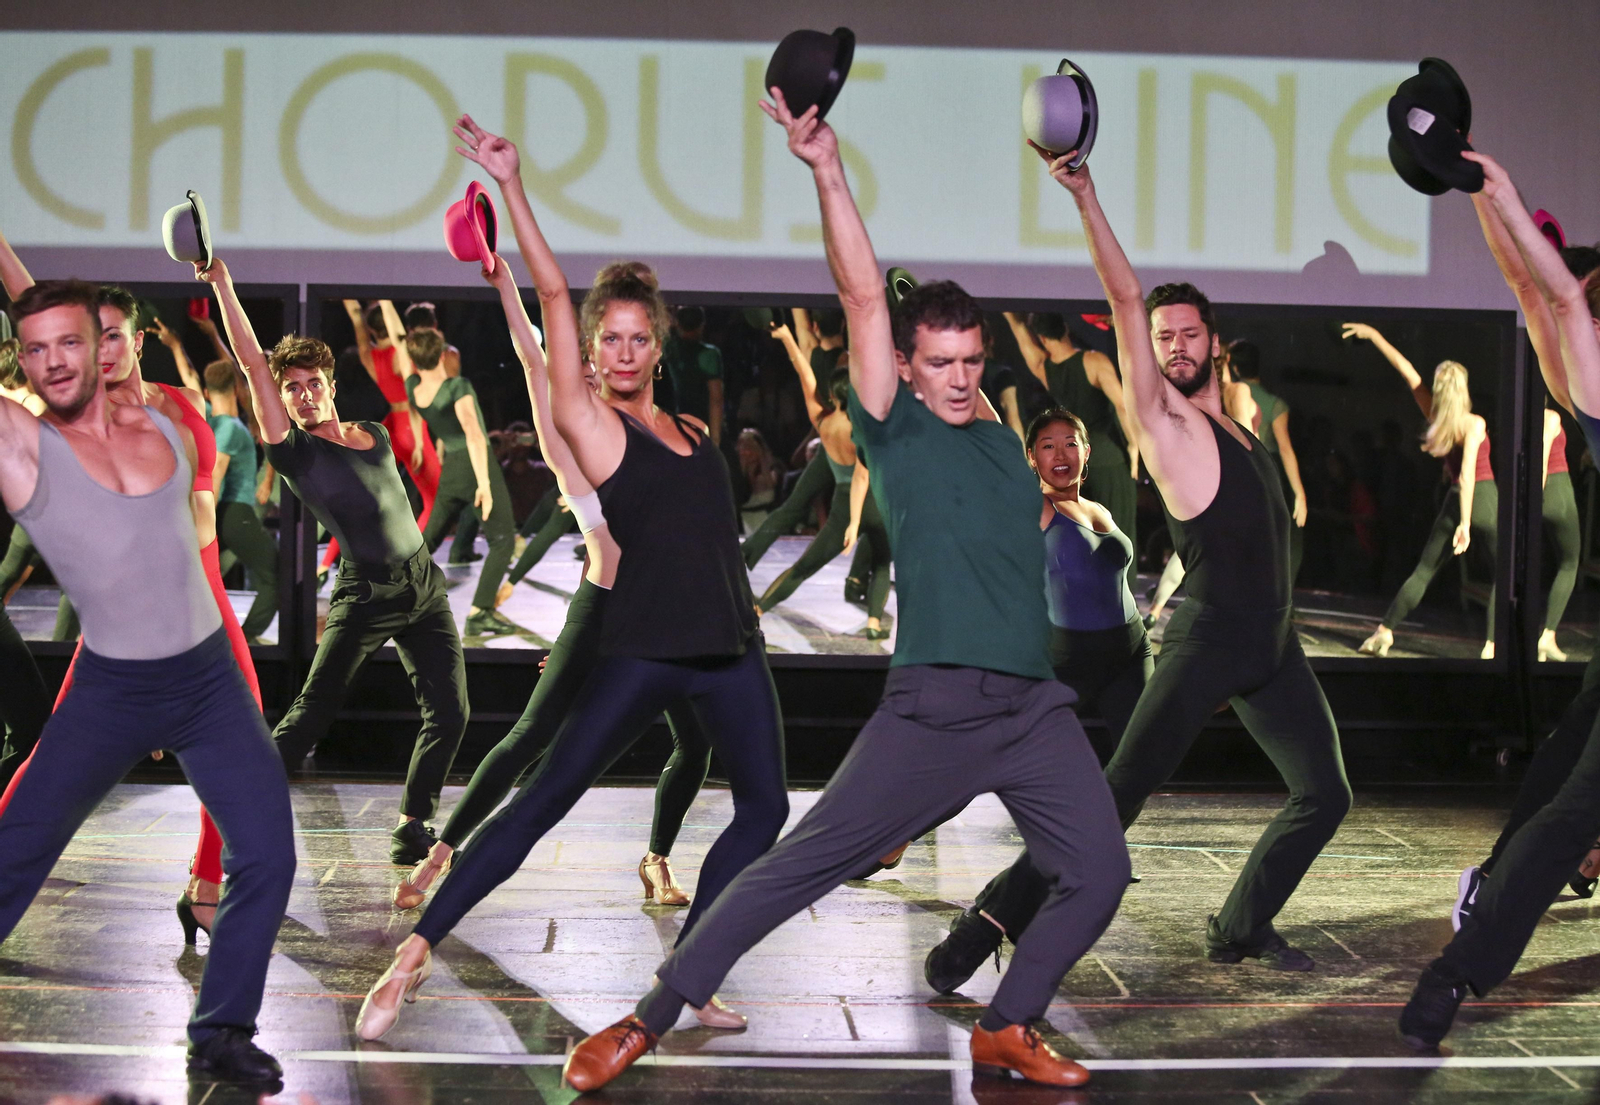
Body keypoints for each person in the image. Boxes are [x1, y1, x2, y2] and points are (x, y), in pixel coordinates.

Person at [562, 89, 1129, 1095]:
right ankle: (648, 1015)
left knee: (1101, 869)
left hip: (1034, 709)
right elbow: (864, 295)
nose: (958, 377)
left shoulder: (1004, 445)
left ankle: (1006, 1024)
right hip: (935, 706)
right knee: (798, 864)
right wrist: (826, 166)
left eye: (970, 360)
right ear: (905, 366)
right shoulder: (895, 428)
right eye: (938, 362)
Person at [354, 113, 789, 1044]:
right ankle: (414, 952)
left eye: (639, 338)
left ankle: (690, 973)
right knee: (544, 795)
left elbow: (713, 539)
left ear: (658, 346)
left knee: (767, 807)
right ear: (590, 351)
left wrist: (747, 607)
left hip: (730, 649)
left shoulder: (695, 433)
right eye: (609, 339)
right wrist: (513, 186)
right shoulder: (591, 425)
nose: (624, 352)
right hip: (646, 648)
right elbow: (552, 295)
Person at [1026, 136, 1349, 972]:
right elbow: (1123, 296)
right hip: (1208, 640)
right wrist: (1085, 196)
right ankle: (994, 918)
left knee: (1326, 793)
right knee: (1121, 791)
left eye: (1188, 333)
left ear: (1214, 341)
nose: (1173, 345)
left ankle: (1239, 924)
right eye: (1162, 335)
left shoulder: (1236, 426)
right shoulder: (1167, 426)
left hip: (1271, 644)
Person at [0, 280, 294, 1085]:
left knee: (268, 852)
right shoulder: (28, 442)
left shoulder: (165, 415)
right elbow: (33, 305)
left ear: (115, 344)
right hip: (111, 687)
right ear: (23, 359)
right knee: (19, 844)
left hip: (207, 679)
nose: (63, 359)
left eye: (81, 340)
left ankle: (222, 1030)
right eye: (39, 349)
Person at [394, 252, 717, 919]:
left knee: (697, 741)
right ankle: (440, 855)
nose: (603, 371)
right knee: (530, 737)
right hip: (604, 607)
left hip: (668, 613)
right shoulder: (566, 435)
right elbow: (533, 355)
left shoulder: (662, 435)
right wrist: (503, 284)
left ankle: (656, 857)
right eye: (590, 361)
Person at [1398, 150, 1600, 1049]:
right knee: (1567, 799)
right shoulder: (1593, 389)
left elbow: (1542, 290)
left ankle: (1481, 925)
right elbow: (1540, 292)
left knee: (1567, 787)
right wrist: (1492, 190)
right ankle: (1461, 962)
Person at [198, 258, 469, 869]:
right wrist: (223, 285)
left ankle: (412, 826)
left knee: (451, 712)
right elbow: (252, 363)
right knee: (309, 717)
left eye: (312, 382)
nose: (303, 394)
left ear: (331, 384)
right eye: (291, 388)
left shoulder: (374, 432)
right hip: (366, 596)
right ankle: (227, 834)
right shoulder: (295, 452)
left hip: (424, 588)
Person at [922, 406, 1153, 993]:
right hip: (1066, 661)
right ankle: (904, 839)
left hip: (1131, 656)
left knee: (1135, 777)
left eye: (1070, 442)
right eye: (1046, 446)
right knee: (988, 757)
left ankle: (1064, 870)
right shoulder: (1036, 506)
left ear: (1086, 451)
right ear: (1030, 458)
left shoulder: (1099, 510)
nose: (1060, 454)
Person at [1348, 323, 1497, 660]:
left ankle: (1383, 632)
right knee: (1502, 573)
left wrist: (1375, 336)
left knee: (1424, 570)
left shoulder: (1434, 415)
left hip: (1453, 500)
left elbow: (1408, 372)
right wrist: (1466, 524)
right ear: (1463, 389)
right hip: (1483, 499)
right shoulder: (1474, 423)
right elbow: (1469, 475)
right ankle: (1491, 645)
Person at [758, 326, 892, 638]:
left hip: (844, 504)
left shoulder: (823, 422)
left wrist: (789, 341)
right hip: (876, 504)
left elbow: (807, 380)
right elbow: (863, 475)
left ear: (833, 396)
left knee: (804, 567)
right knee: (881, 564)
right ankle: (873, 624)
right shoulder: (866, 426)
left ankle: (759, 608)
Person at [1006, 310, 1140, 584]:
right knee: (1118, 534)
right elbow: (1122, 405)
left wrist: (1010, 313)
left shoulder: (1042, 366)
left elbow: (1019, 331)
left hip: (1070, 465)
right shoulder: (1093, 361)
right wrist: (1134, 446)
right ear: (1066, 328)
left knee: (1078, 536)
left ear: (1042, 338)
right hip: (1108, 458)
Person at [405, 325, 519, 637]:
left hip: (452, 468)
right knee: (503, 541)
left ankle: (393, 593)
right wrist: (484, 483)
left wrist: (422, 444)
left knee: (430, 538)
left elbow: (427, 419)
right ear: (443, 355)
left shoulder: (413, 386)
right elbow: (474, 434)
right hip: (475, 464)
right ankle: (480, 612)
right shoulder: (457, 386)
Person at [319, 300, 441, 573]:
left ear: (372, 331)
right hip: (410, 427)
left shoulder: (368, 354)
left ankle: (325, 564)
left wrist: (348, 294)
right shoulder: (401, 353)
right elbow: (412, 399)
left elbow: (356, 318)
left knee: (362, 497)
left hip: (388, 428)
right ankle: (413, 564)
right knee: (436, 500)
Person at [202, 359, 278, 643]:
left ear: (207, 392)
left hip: (226, 514)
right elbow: (215, 475)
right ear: (236, 388)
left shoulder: (216, 423)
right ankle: (244, 640)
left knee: (206, 578)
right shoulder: (230, 428)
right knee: (276, 575)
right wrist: (204, 526)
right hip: (234, 513)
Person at [1228, 341, 1308, 582]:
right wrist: (1299, 493)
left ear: (1235, 368)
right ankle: (1281, 593)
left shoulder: (1226, 393)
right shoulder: (1275, 404)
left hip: (1232, 466)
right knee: (1284, 536)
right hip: (1267, 466)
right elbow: (1285, 449)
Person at [1538, 402, 1579, 662]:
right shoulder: (1549, 417)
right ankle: (1548, 635)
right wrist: (1537, 495)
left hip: (1542, 491)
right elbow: (1541, 458)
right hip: (1557, 490)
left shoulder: (1518, 420)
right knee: (1569, 563)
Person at [660, 306, 725, 445]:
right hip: (700, 423)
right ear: (702, 325)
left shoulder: (667, 347)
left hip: (672, 423)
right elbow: (716, 399)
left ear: (677, 323)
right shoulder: (709, 355)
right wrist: (715, 439)